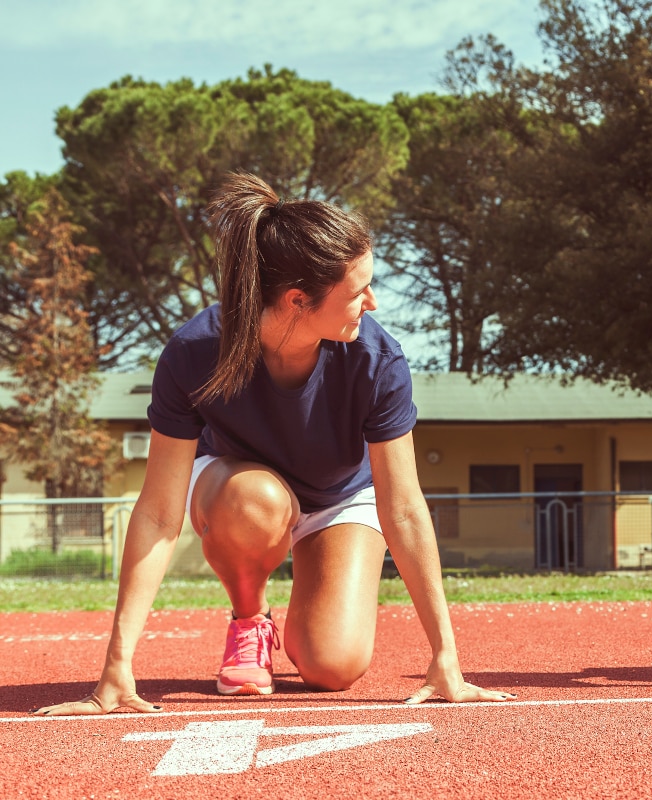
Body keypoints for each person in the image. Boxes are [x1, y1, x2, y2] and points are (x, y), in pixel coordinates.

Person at [33, 173, 514, 715]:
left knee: (333, 666)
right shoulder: (194, 352)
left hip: (339, 498)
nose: (373, 303)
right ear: (296, 300)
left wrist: (445, 657)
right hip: (242, 493)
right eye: (358, 291)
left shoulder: (377, 361)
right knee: (255, 498)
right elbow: (160, 511)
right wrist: (117, 666)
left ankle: (305, 618)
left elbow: (402, 506)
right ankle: (249, 618)